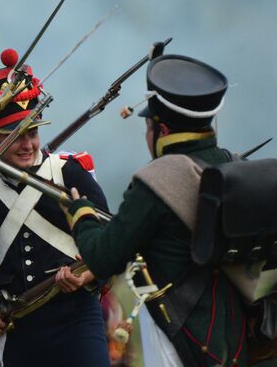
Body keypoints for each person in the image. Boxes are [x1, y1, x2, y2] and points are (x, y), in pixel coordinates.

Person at [63, 52, 248, 366]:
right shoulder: (233, 164)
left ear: (161, 130)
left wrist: (81, 213)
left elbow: (103, 257)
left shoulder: (156, 180)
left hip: (179, 332)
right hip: (233, 333)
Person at [0, 49, 110, 366]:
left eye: (33, 133)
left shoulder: (67, 173)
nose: (28, 145)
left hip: (76, 315)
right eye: (16, 135)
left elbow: (111, 237)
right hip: (19, 322)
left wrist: (88, 275)